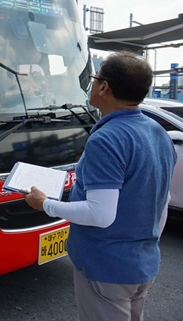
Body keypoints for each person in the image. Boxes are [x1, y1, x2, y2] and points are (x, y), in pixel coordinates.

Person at [24, 51, 175, 321]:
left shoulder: (107, 139)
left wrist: (44, 204)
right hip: (143, 264)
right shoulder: (158, 134)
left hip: (107, 269)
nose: (91, 85)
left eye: (94, 78)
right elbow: (163, 200)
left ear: (104, 87)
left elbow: (100, 214)